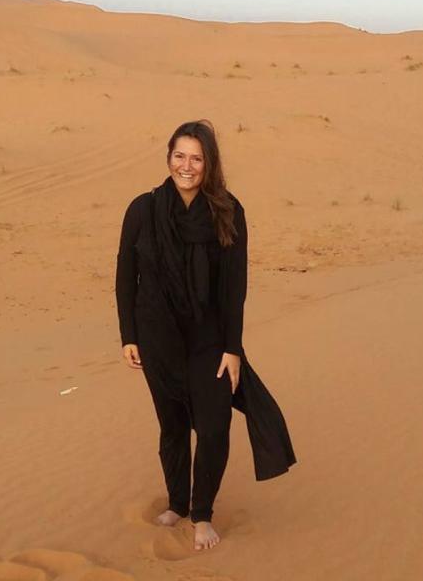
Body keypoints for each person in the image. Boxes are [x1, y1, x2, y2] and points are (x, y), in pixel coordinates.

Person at [115, 119, 296, 551]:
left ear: (209, 163)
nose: (187, 165)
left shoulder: (227, 211)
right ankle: (178, 502)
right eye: (180, 155)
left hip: (209, 341)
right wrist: (129, 335)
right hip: (157, 337)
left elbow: (235, 287)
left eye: (196, 158)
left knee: (213, 429)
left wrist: (233, 348)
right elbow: (126, 275)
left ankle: (203, 514)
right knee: (172, 426)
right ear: (168, 158)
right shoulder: (143, 209)